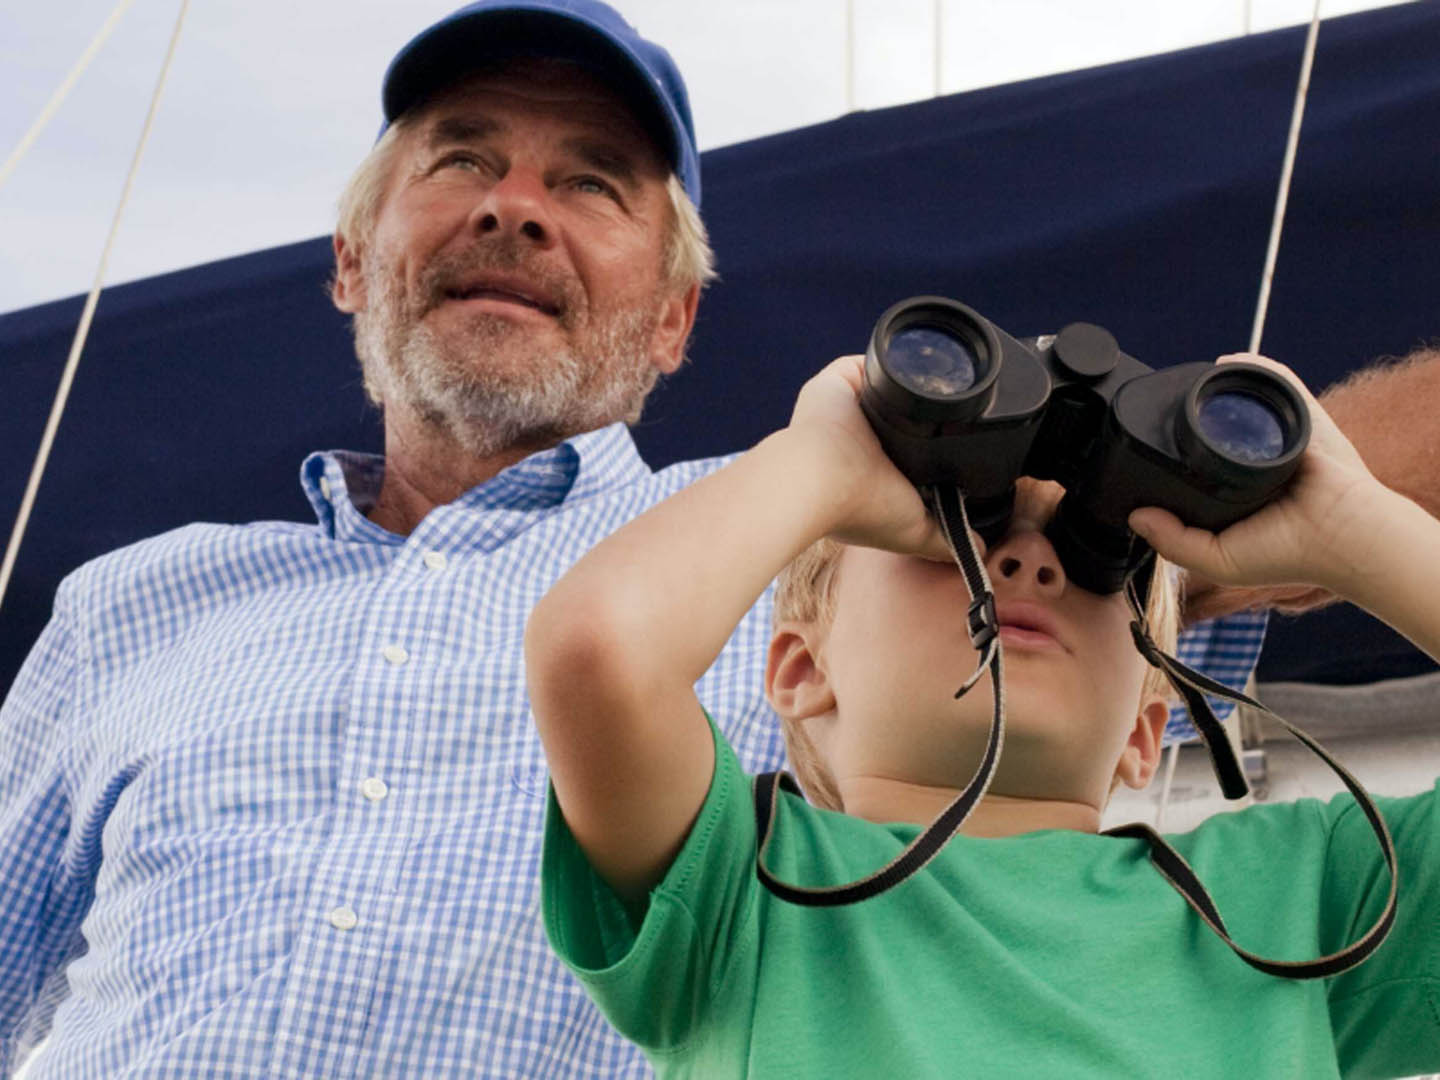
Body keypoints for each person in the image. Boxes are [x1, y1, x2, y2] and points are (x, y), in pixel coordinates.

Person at [0, 0, 1433, 1075]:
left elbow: (1232, 523)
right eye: (464, 159)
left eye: (593, 184)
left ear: (681, 317)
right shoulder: (131, 599)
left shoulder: (811, 534)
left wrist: (1282, 492)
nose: (515, 204)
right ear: (349, 258)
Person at [529, 352, 1440, 1077]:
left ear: (1143, 729)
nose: (1033, 563)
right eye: (953, 533)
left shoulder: (1301, 896)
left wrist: (1356, 530)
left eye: (1097, 561)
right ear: (804, 670)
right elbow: (599, 651)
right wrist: (826, 462)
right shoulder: (742, 886)